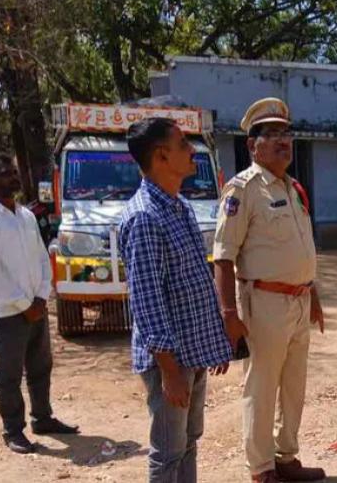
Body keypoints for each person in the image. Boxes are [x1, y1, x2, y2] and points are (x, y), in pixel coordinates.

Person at [213, 98, 326, 483]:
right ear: (252, 145)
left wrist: (314, 296)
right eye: (272, 134)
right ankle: (261, 468)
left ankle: (286, 457)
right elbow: (223, 257)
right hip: (263, 303)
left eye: (286, 133)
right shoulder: (242, 190)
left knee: (294, 386)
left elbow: (302, 247)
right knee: (261, 388)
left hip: (298, 301)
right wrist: (229, 314)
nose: (283, 141)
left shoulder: (294, 188)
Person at [118, 118, 233, 482]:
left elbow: (193, 280)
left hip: (191, 352)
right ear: (162, 155)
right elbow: (147, 301)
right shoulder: (145, 217)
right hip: (171, 361)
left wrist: (212, 343)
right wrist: (169, 371)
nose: (192, 150)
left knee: (188, 442)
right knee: (168, 451)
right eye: (184, 144)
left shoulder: (177, 206)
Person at [0, 153, 78, 454]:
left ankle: (43, 418)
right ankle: (13, 431)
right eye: (7, 173)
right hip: (7, 315)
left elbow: (43, 258)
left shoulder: (26, 215)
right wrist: (24, 305)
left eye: (15, 172)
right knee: (9, 375)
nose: (15, 177)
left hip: (37, 308)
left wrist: (41, 297)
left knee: (41, 367)